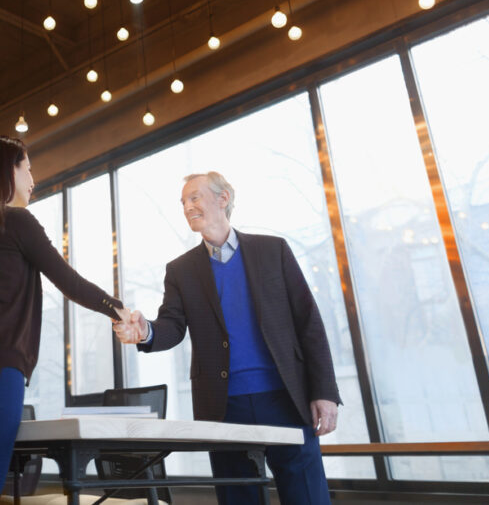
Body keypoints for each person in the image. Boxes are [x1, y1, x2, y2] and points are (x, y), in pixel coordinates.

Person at [0, 136, 130, 505]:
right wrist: (120, 310)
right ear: (8, 171)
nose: (33, 178)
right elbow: (70, 282)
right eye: (28, 168)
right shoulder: (15, 221)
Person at [114, 172, 340, 505]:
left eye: (195, 197)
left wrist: (324, 392)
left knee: (307, 496)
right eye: (183, 202)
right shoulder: (181, 270)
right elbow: (172, 326)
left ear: (223, 199)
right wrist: (145, 330)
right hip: (223, 407)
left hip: (285, 399)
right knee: (238, 499)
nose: (188, 207)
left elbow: (309, 322)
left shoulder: (273, 250)